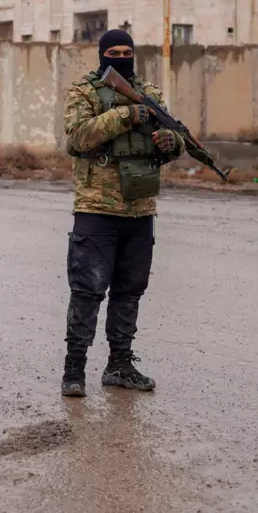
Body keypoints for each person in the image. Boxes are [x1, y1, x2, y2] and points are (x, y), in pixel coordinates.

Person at [60, 29, 185, 398]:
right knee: (87, 291)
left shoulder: (151, 95)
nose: (120, 56)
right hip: (96, 208)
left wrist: (170, 142)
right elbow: (78, 138)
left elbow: (171, 139)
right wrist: (127, 115)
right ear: (101, 55)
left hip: (140, 208)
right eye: (113, 51)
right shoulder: (84, 92)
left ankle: (120, 366)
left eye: (127, 51)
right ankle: (74, 371)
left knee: (129, 292)